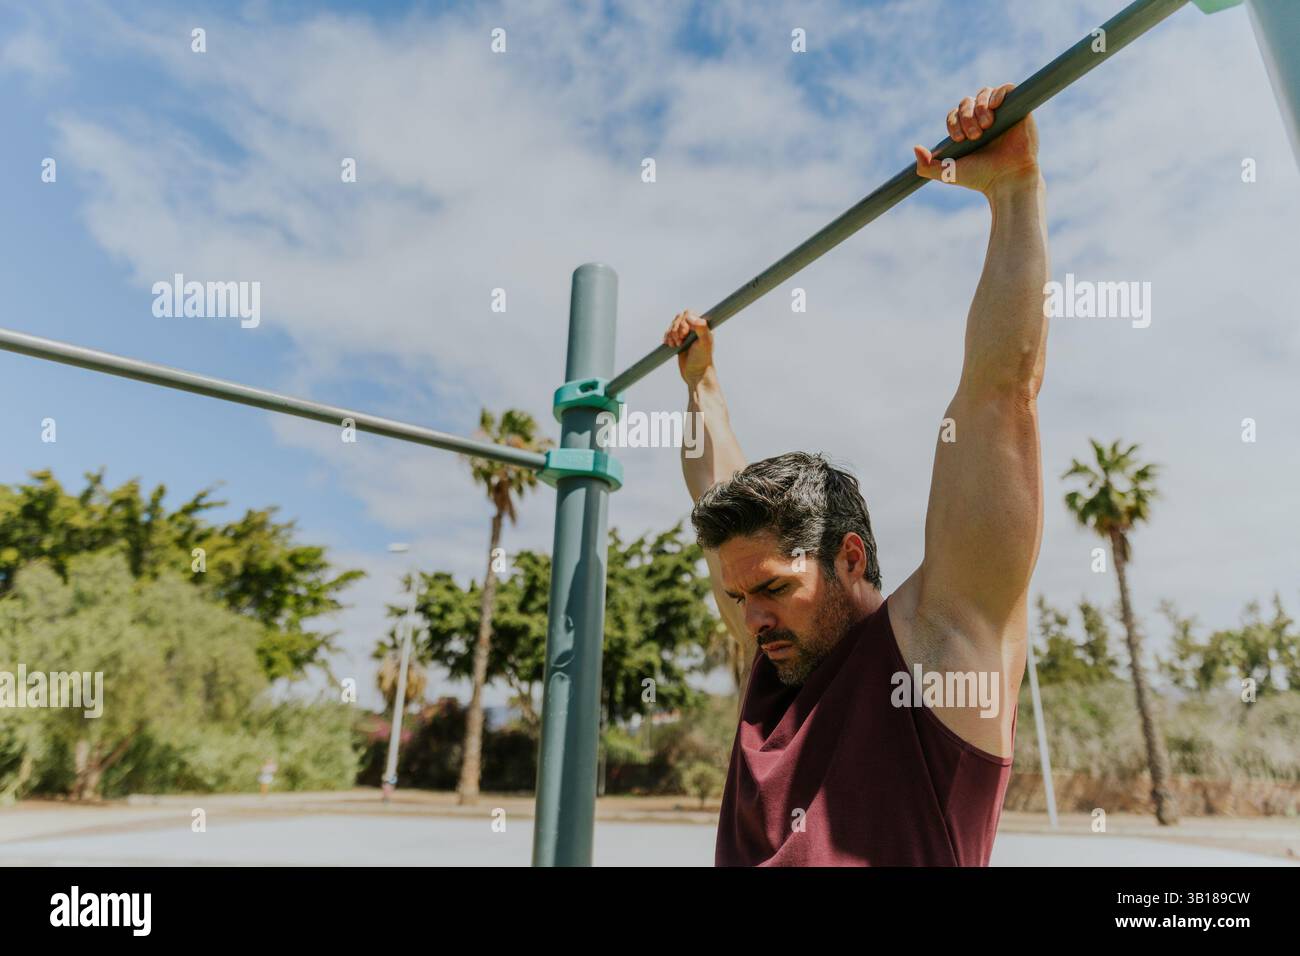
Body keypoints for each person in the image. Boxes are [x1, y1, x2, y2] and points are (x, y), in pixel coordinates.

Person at [669, 84, 1048, 866]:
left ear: (848, 555)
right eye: (739, 596)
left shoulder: (937, 651)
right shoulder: (776, 659)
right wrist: (700, 386)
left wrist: (1012, 192)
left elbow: (998, 398)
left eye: (772, 588)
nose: (751, 618)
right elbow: (713, 493)